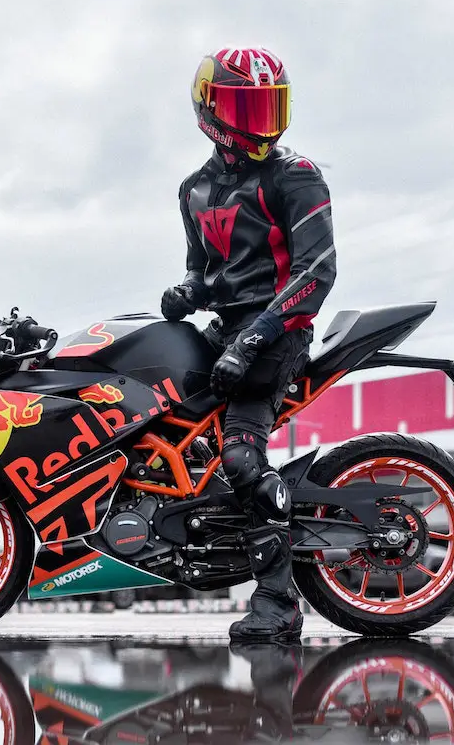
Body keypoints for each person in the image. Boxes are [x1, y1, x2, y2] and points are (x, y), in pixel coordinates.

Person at [161, 46, 337, 641]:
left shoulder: (296, 176)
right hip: (226, 333)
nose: (260, 121)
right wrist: (186, 293)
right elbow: (203, 269)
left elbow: (316, 272)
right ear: (211, 110)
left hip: (279, 334)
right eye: (246, 106)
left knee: (239, 456)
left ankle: (279, 602)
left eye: (268, 106)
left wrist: (253, 339)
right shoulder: (194, 189)